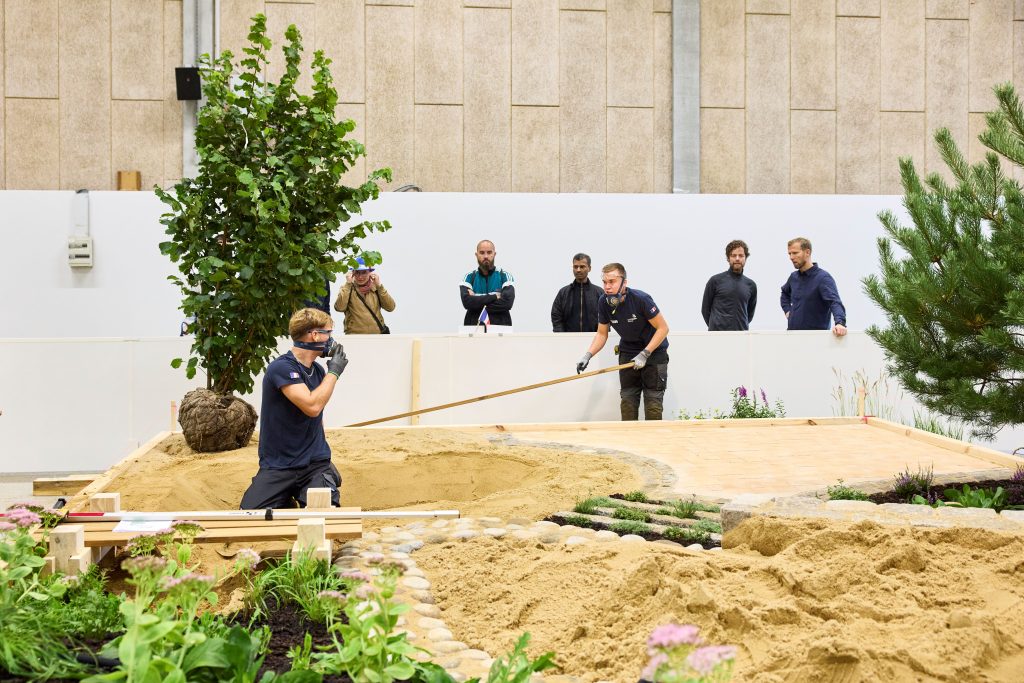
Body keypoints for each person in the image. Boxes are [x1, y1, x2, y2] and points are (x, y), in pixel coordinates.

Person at [240, 308, 349, 509]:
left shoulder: (318, 370)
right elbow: (312, 406)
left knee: (324, 512)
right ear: (315, 335)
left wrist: (320, 455)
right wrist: (334, 372)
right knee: (250, 513)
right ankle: (285, 499)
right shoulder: (282, 368)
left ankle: (322, 478)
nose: (331, 339)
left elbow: (317, 416)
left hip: (314, 465)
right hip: (279, 465)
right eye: (328, 333)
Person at [576, 263, 670, 420]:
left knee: (653, 404)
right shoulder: (603, 302)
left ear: (624, 282)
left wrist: (645, 353)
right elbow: (602, 334)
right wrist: (588, 355)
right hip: (628, 352)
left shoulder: (641, 299)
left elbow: (663, 328)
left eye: (612, 282)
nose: (607, 287)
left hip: (654, 353)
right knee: (628, 402)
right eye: (604, 282)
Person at [780, 237, 847, 336]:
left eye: (795, 253)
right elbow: (784, 294)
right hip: (792, 336)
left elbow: (834, 302)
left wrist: (840, 323)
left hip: (816, 339)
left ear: (807, 252)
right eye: (789, 254)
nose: (791, 257)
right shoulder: (793, 277)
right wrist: (787, 310)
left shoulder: (823, 278)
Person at [701, 239, 757, 331]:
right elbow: (705, 310)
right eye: (733, 255)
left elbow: (749, 314)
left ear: (745, 258)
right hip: (717, 335)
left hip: (741, 335)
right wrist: (715, 327)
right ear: (728, 258)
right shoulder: (715, 281)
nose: (737, 258)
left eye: (741, 255)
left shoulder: (751, 285)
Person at [460, 239, 515, 326]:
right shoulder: (469, 278)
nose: (486, 256)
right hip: (474, 328)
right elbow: (467, 303)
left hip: (501, 328)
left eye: (489, 252)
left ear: (494, 254)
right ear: (476, 255)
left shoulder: (505, 276)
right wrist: (495, 296)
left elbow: (507, 303)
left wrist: (476, 301)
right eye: (482, 253)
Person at [334, 257, 395, 334]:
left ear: (370, 273)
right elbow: (339, 308)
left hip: (377, 335)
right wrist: (348, 284)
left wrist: (379, 286)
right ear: (352, 273)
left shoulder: (376, 287)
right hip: (354, 335)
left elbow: (390, 307)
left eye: (364, 272)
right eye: (357, 272)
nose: (360, 277)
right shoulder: (347, 288)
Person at [551, 252, 603, 332]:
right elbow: (556, 316)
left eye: (582, 267)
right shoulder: (563, 292)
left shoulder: (599, 292)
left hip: (594, 338)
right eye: (575, 267)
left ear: (589, 268)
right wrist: (561, 335)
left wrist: (599, 334)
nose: (578, 270)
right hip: (568, 338)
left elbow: (606, 316)